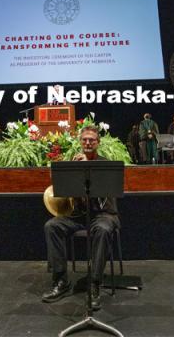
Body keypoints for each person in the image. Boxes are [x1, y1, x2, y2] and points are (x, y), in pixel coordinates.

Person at [42, 125, 120, 310]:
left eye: (91, 140)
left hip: (104, 214)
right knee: (52, 226)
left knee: (102, 229)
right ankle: (61, 281)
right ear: (80, 142)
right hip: (80, 216)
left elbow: (103, 198)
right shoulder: (73, 162)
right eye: (84, 139)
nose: (87, 143)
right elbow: (66, 193)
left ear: (98, 143)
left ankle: (94, 284)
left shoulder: (105, 164)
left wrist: (87, 168)